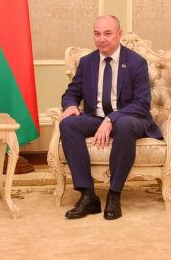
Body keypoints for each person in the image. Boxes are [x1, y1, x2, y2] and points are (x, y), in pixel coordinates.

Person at [59, 15, 162, 220]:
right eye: (97, 34)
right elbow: (72, 92)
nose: (101, 39)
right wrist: (70, 105)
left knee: (123, 124)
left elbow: (141, 104)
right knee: (69, 124)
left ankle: (114, 194)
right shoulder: (87, 62)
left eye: (107, 33)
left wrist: (111, 118)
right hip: (96, 117)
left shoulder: (135, 62)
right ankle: (88, 196)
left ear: (119, 34)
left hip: (130, 117)